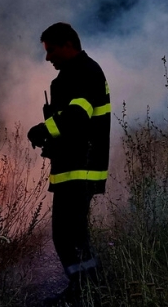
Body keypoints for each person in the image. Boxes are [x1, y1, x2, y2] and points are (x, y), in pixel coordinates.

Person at [27, 22, 110, 306]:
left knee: (65, 235)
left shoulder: (84, 73)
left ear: (67, 44)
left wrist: (43, 129)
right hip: (73, 167)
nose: (48, 58)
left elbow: (77, 116)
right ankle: (88, 288)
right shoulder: (74, 74)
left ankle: (84, 291)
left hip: (80, 168)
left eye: (51, 50)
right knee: (73, 233)